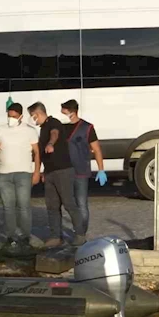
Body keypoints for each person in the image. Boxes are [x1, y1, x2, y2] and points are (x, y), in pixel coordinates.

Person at [28, 102, 86, 247]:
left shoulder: (53, 123)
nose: (32, 119)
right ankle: (55, 236)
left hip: (63, 171)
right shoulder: (42, 129)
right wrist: (41, 171)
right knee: (52, 205)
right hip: (50, 173)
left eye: (32, 116)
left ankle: (80, 234)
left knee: (69, 203)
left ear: (38, 114)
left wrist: (50, 144)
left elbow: (55, 134)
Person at [0, 103, 40, 250]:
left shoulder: (30, 131)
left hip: (24, 173)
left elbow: (36, 152)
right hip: (4, 174)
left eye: (14, 116)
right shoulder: (1, 130)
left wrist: (37, 172)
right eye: (9, 116)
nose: (11, 119)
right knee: (8, 207)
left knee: (24, 206)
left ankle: (25, 236)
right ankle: (11, 236)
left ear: (21, 117)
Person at [60, 99, 107, 228]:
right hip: (64, 171)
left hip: (81, 171)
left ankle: (81, 232)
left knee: (81, 204)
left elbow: (96, 149)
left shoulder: (87, 128)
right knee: (67, 203)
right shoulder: (60, 127)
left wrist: (101, 169)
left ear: (72, 112)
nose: (61, 115)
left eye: (63, 112)